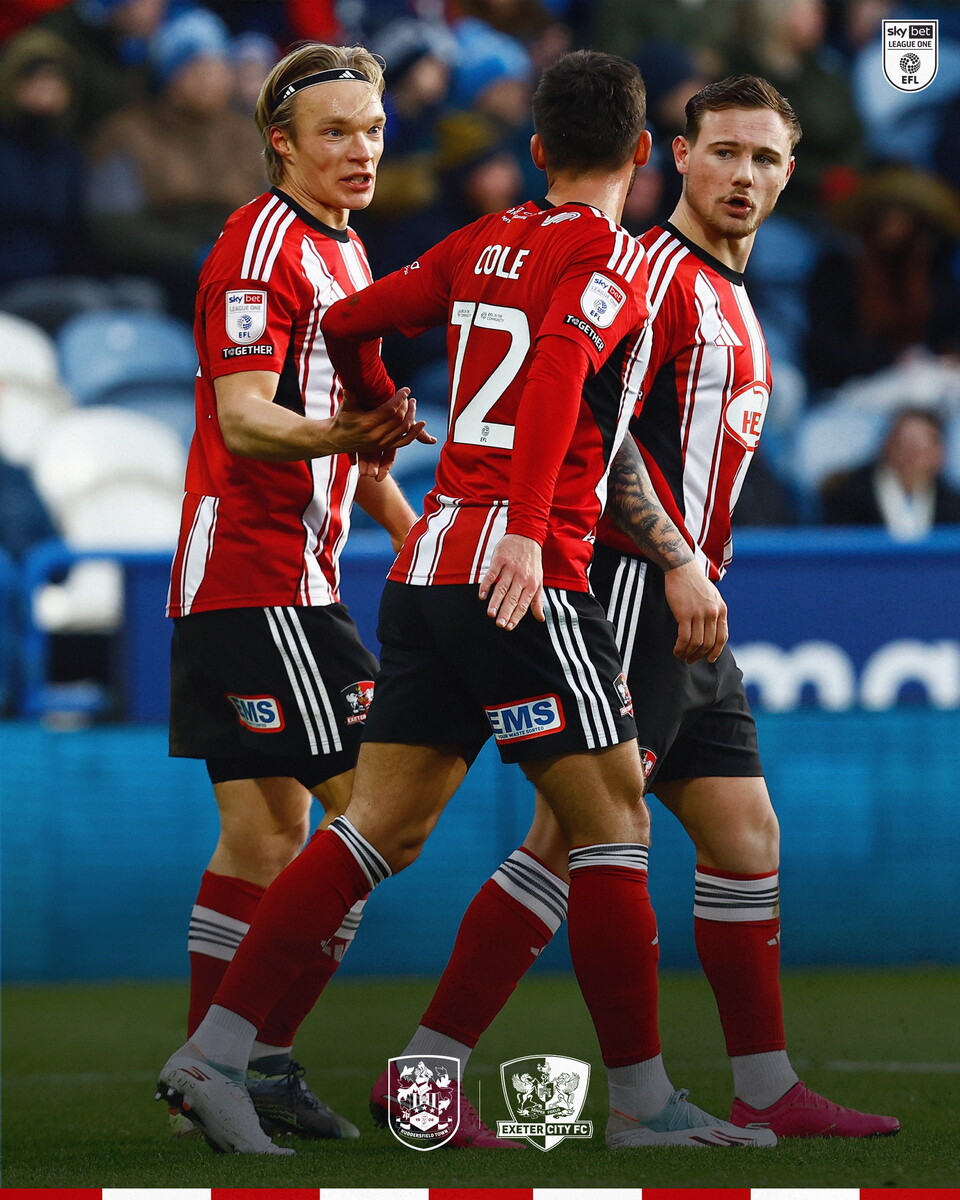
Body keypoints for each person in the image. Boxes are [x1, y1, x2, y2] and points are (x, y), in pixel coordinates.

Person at [156, 49, 780, 1156]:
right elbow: (550, 381)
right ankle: (640, 1105)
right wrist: (535, 535)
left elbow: (351, 326)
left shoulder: (483, 241)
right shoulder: (607, 261)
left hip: (429, 563)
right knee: (614, 824)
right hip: (513, 569)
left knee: (375, 827)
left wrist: (378, 407)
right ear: (645, 155)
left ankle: (214, 1053)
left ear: (535, 150)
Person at [369, 74, 900, 1142]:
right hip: (633, 589)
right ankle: (427, 1074)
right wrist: (675, 563)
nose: (742, 174)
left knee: (747, 833)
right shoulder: (648, 276)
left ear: (790, 173)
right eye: (724, 153)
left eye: (764, 157)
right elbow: (594, 450)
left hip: (690, 605)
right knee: (568, 843)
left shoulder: (734, 292)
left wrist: (696, 574)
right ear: (678, 158)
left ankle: (765, 1083)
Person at [162, 40, 431, 1145]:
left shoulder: (346, 253)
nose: (361, 149)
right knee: (379, 821)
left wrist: (419, 538)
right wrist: (341, 433)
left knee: (263, 838)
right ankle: (240, 1058)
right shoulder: (256, 247)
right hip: (256, 582)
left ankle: (219, 1078)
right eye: (335, 132)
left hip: (280, 583)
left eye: (371, 130)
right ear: (281, 143)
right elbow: (243, 416)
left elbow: (348, 447)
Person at [84, 8, 268, 320]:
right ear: (168, 74)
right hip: (158, 271)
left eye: (218, 67)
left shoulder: (248, 135)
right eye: (196, 68)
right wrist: (191, 253)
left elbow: (272, 209)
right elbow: (114, 223)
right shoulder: (126, 133)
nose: (209, 79)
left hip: (238, 269)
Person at [821, 407, 960, 538]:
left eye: (918, 449)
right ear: (886, 446)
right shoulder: (848, 497)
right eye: (903, 446)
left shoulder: (952, 505)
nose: (909, 458)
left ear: (939, 454)